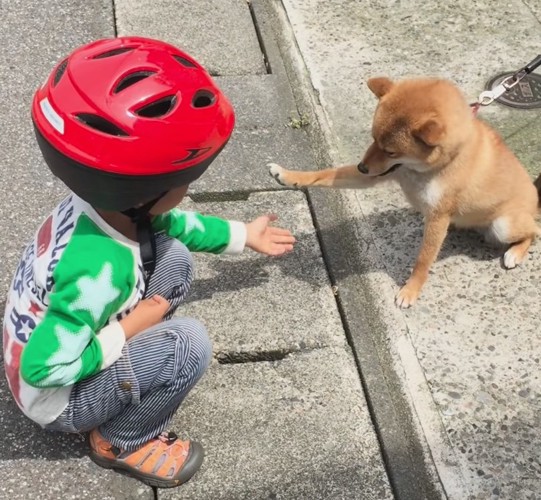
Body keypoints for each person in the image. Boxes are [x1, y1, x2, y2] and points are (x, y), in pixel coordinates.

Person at [2, 36, 295, 489]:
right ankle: (120, 438)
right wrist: (133, 326)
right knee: (188, 345)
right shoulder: (100, 272)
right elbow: (44, 369)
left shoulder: (98, 204)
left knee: (173, 255)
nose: (189, 189)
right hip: (57, 398)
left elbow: (176, 223)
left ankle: (139, 365)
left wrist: (243, 236)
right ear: (146, 193)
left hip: (67, 331)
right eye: (185, 180)